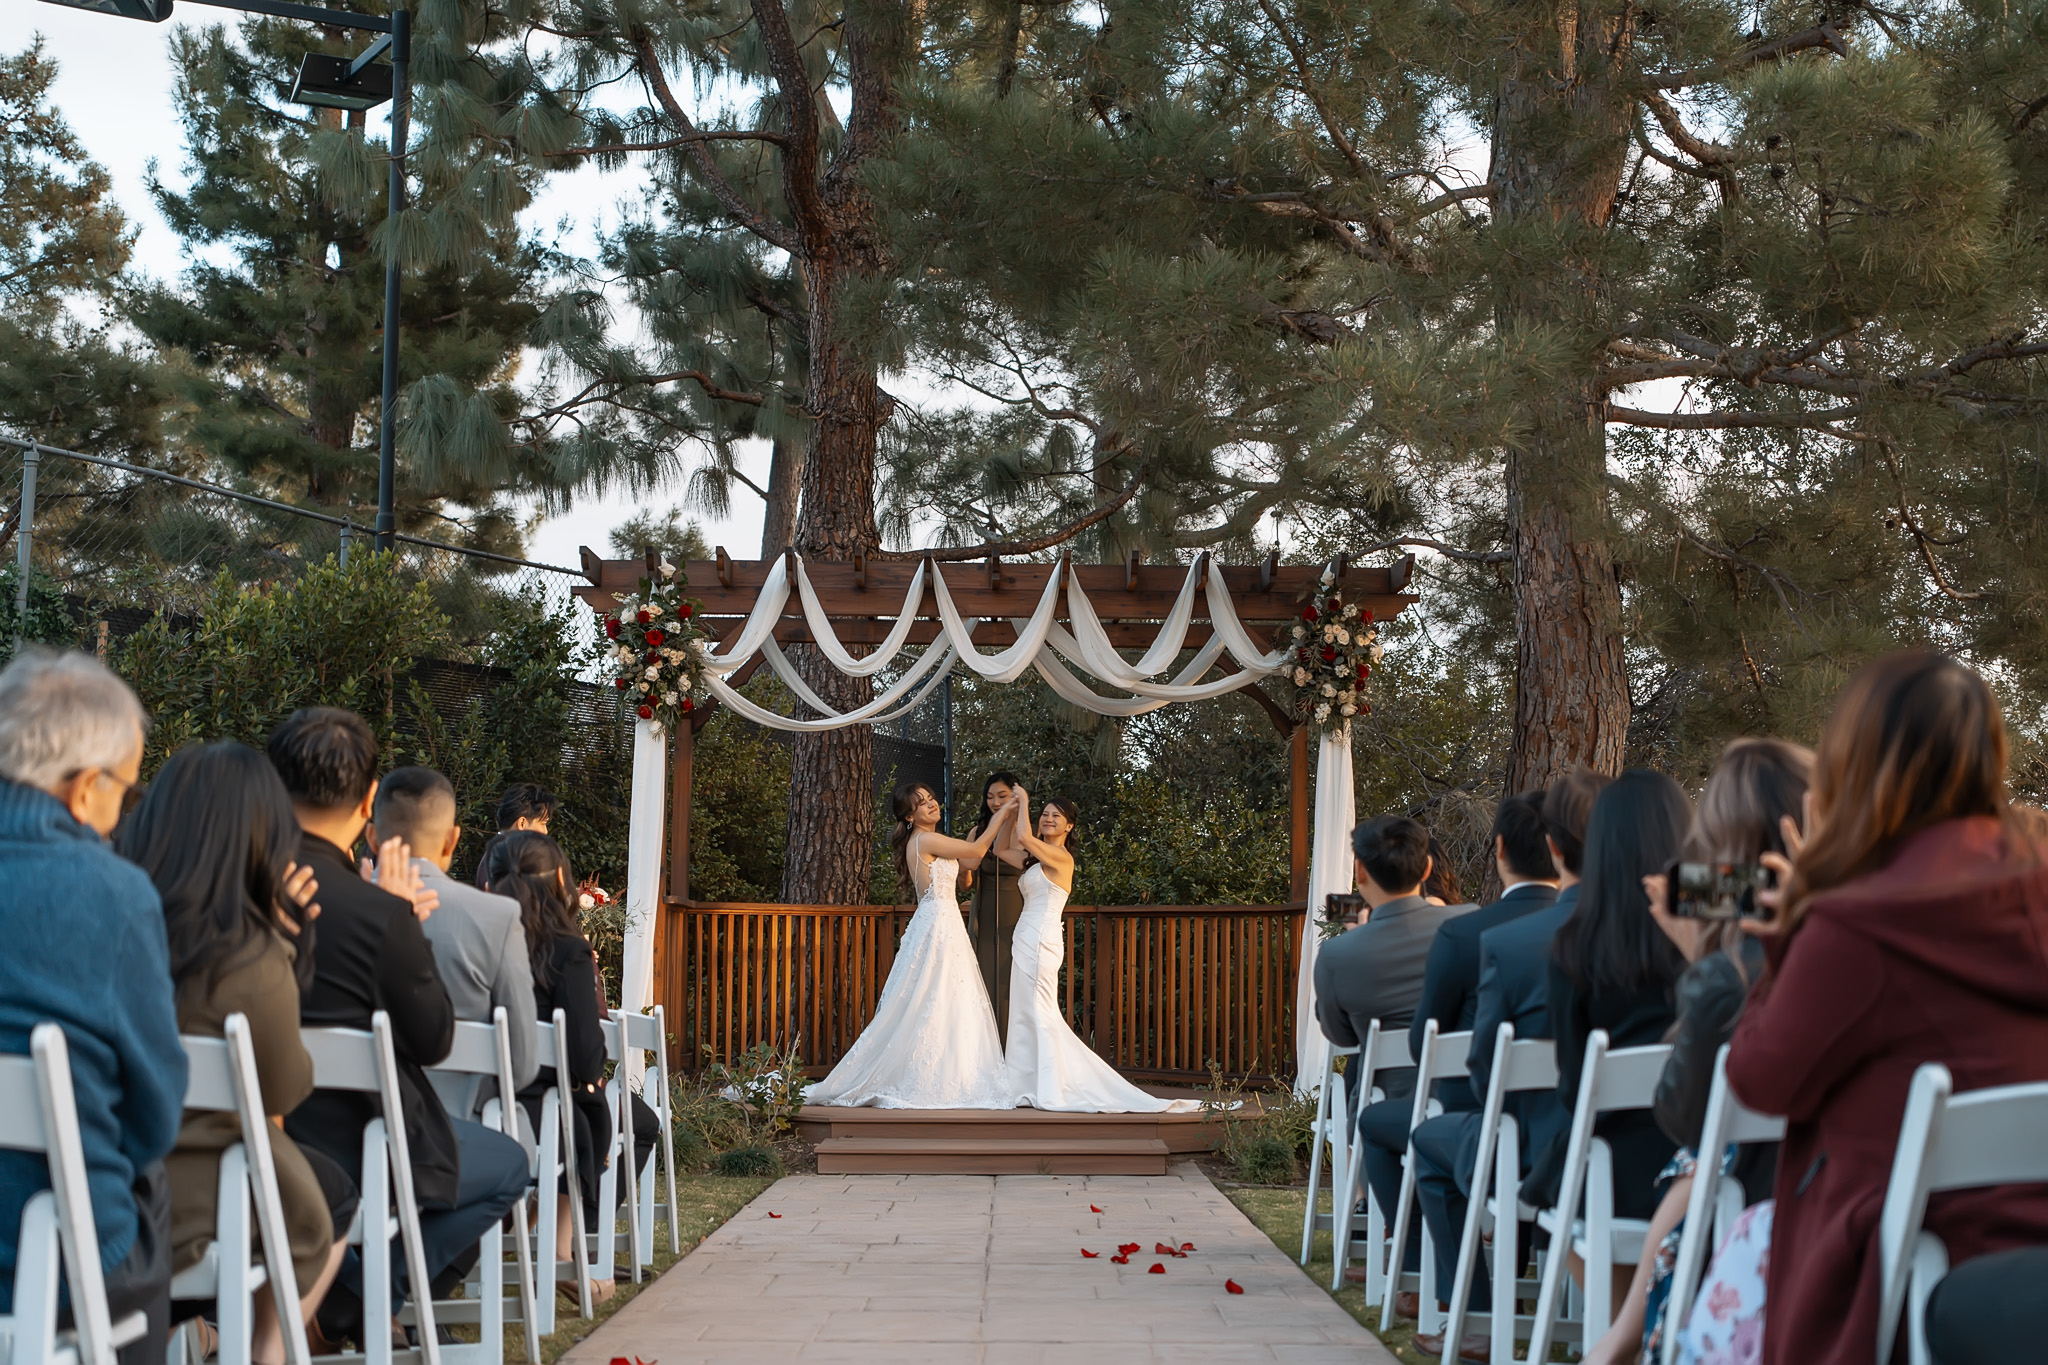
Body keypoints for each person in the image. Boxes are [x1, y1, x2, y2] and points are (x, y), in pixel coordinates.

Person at [1722, 651, 2048, 1365]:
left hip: (1928, 1262)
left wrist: (1790, 931)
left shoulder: (1859, 925)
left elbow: (1760, 1078)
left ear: (1855, 762)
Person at [266, 708, 527, 1341]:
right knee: (509, 1165)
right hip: (363, 1147)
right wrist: (400, 921)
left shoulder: (231, 890)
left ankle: (341, 1298)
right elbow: (432, 1040)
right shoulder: (378, 912)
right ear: (364, 804)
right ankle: (360, 1301)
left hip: (255, 1141)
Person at [117, 742, 356, 1365]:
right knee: (332, 1194)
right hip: (188, 1199)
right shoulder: (249, 960)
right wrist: (286, 946)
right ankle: (265, 1353)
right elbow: (285, 1089)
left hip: (102, 1179)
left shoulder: (110, 925)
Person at [1579, 738, 1809, 1365]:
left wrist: (1701, 961)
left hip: (1756, 1201)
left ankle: (1620, 1341)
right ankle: (1618, 1339)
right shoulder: (1858, 940)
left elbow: (1684, 1119)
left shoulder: (1722, 977)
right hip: (1849, 1190)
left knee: (1695, 1162)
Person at [0, 650, 184, 1365]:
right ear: (84, 789)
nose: (121, 811)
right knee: (148, 1183)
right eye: (127, 792)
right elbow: (153, 1115)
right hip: (58, 1253)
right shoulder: (115, 893)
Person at [1405, 769, 1606, 1354]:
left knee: (1434, 1140)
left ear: (1499, 849)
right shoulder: (1651, 933)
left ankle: (1477, 1315)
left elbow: (1481, 1066)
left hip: (1531, 1147)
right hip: (1618, 1144)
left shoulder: (1495, 941)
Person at [480, 832, 637, 1305]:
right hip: (542, 1113)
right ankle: (558, 1252)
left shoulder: (477, 937)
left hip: (476, 1101)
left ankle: (526, 1235)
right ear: (561, 882)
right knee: (587, 1104)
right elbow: (586, 1053)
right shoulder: (566, 950)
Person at [1316, 814, 1469, 1283]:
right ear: (1427, 869)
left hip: (1392, 1104)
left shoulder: (1339, 955)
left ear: (1360, 871)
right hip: (1468, 1100)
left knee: (1368, 1117)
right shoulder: (1471, 923)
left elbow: (1342, 1037)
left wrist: (1357, 939)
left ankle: (1408, 1255)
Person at [806, 782, 1018, 1108]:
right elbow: (976, 852)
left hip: (944, 921)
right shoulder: (924, 839)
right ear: (909, 816)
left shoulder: (930, 839)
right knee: (934, 995)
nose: (931, 804)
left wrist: (996, 823)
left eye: (931, 798)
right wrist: (1003, 812)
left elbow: (971, 864)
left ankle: (951, 1072)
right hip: (938, 924)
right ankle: (930, 1076)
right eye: (922, 803)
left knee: (946, 996)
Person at [999, 788, 1201, 1113]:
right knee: (1024, 1010)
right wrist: (1009, 813)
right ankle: (1024, 1085)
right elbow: (1000, 848)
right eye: (1044, 814)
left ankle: (1052, 1085)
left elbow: (1023, 837)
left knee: (1038, 1010)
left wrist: (1022, 801)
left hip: (1041, 939)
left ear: (1068, 827)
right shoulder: (1033, 860)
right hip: (1024, 938)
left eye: (1055, 816)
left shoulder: (1061, 858)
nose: (1047, 819)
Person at [370, 767, 538, 1120]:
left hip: (356, 1128)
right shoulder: (498, 916)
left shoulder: (325, 906)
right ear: (451, 840)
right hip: (462, 1127)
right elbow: (521, 1065)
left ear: (372, 837)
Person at [962, 771, 1025, 1043]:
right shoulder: (978, 832)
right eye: (990, 797)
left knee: (1012, 980)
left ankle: (1013, 1045)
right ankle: (985, 1045)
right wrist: (963, 872)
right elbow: (966, 880)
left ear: (1016, 796)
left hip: (1016, 913)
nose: (995, 802)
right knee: (983, 976)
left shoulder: (1028, 833)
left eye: (1002, 796)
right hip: (985, 914)